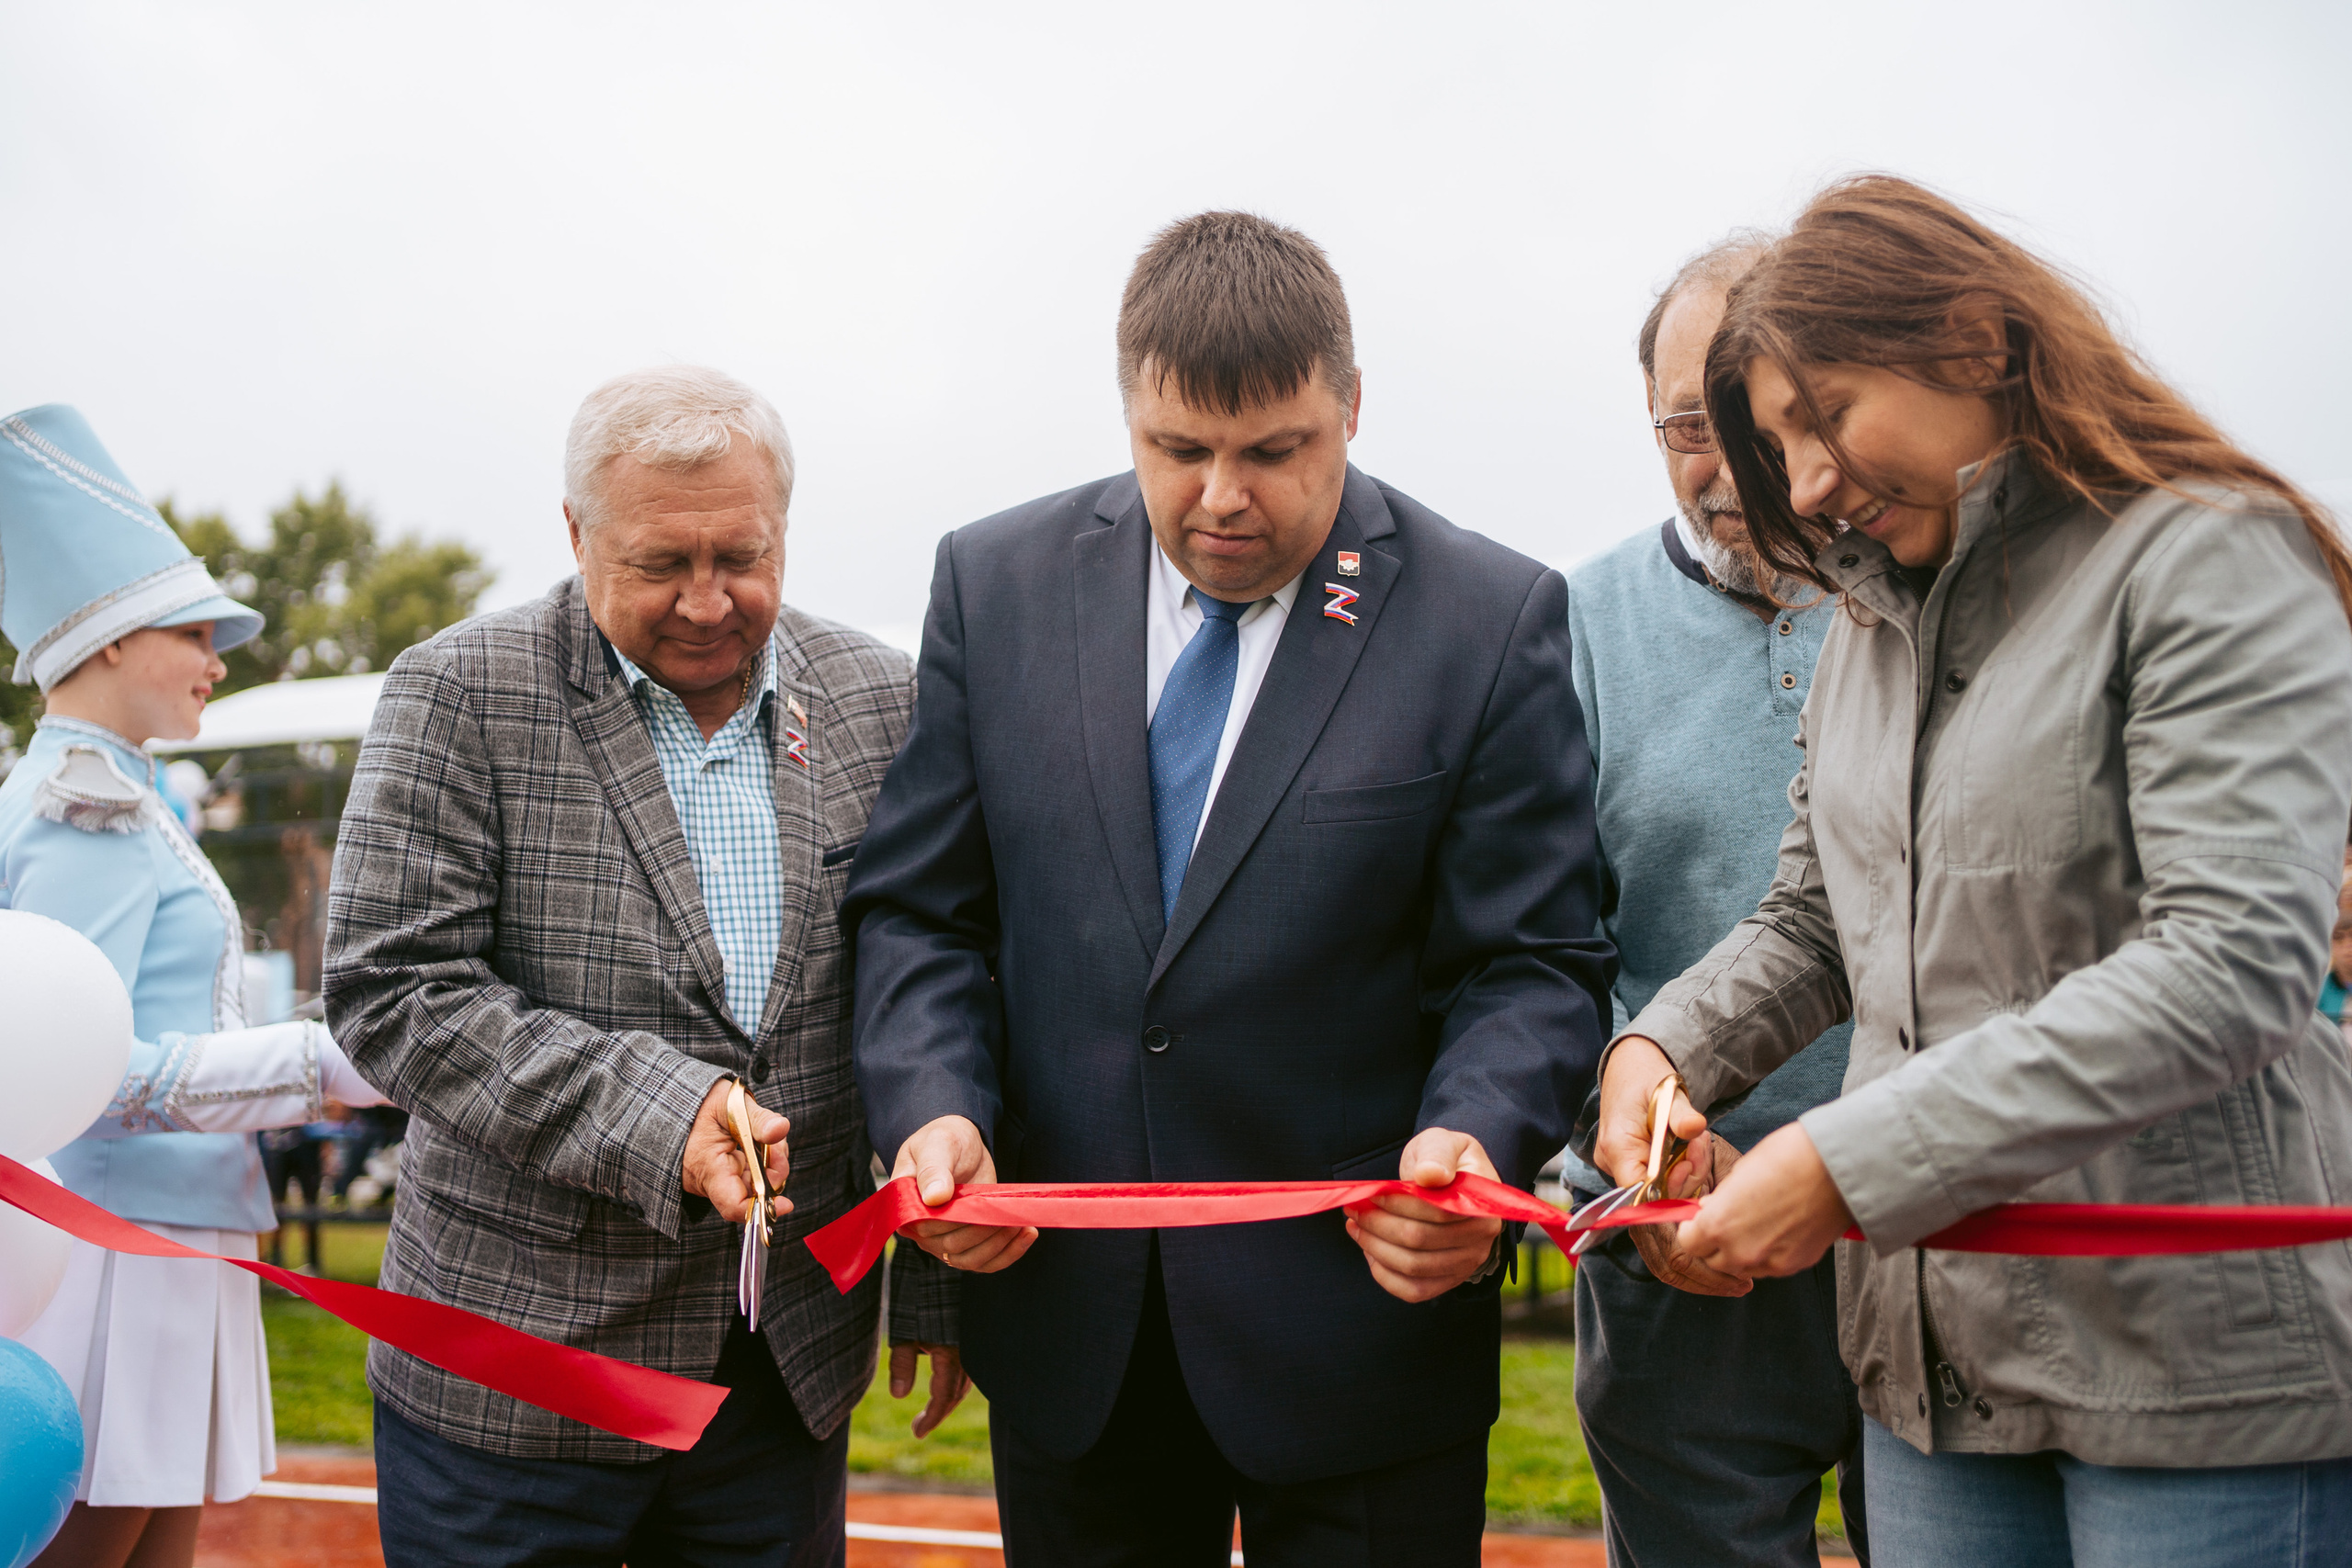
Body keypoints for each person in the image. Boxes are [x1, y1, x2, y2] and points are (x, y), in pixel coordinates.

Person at [1583, 175, 2352, 1564]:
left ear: (1975, 342)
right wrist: (1660, 1052)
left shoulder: (2214, 558)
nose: (1805, 481)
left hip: (2203, 1377)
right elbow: (1816, 917)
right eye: (1775, 443)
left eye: (1822, 417)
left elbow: (2232, 967)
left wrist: (1841, 1160)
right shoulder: (1870, 624)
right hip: (1935, 1382)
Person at [843, 210, 1612, 1567]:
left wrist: (1477, 1135)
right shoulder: (993, 583)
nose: (1221, 497)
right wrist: (934, 1106)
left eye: (1273, 451)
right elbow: (927, 911)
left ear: (1352, 407)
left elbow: (1533, 958)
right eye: (1179, 451)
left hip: (1366, 1338)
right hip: (1071, 1337)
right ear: (1128, 408)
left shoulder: (1488, 616)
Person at [323, 367, 957, 1568]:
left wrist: (927, 1278)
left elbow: (919, 984)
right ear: (576, 533)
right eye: (663, 563)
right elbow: (388, 986)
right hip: (514, 1380)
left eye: (743, 554)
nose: (711, 600)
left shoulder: (884, 696)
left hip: (783, 1380)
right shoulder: (458, 691)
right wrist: (662, 1115)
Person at [0, 403, 386, 1568]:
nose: (220, 660)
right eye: (196, 632)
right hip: (120, 1239)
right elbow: (80, 1074)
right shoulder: (88, 808)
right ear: (111, 638)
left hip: (157, 1232)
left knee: (151, 1540)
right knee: (95, 1544)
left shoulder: (108, 793)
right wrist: (328, 1062)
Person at [1558, 236, 1867, 1566]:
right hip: (1683, 1266)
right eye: (1688, 421)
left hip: (1949, 1240)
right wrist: (1635, 1165)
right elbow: (1535, 956)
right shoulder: (1566, 628)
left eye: (1754, 418)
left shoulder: (1938, 600)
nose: (1724, 459)